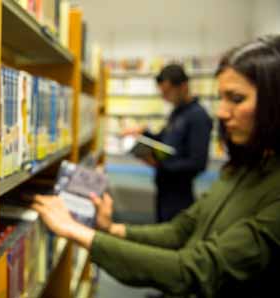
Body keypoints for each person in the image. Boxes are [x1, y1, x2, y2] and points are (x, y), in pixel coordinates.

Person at [32, 36, 280, 297]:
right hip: (165, 188)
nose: (221, 111)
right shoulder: (240, 168)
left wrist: (78, 232)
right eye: (221, 97)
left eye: (237, 99)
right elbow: (180, 231)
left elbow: (198, 269)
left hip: (178, 190)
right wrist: (111, 228)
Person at [123, 64, 213, 222]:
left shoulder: (198, 116)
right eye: (162, 92)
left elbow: (198, 163)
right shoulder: (176, 112)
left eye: (167, 92)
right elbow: (164, 140)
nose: (164, 97)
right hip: (164, 190)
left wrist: (161, 165)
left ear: (183, 86)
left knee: (172, 237)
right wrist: (144, 133)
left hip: (179, 195)